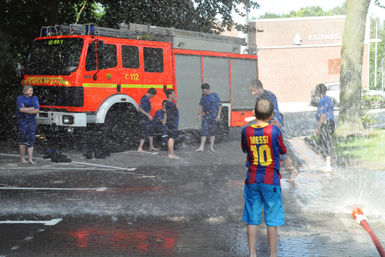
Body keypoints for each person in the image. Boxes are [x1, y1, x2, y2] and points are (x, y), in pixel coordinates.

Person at [241, 97, 287, 257]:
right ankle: (272, 255)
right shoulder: (274, 131)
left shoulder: (246, 130)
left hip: (252, 179)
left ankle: (252, 254)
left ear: (254, 113)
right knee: (272, 220)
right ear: (271, 115)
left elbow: (244, 148)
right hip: (271, 180)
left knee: (252, 219)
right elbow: (283, 150)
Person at [247, 79, 298, 182]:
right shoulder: (259, 98)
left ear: (259, 88)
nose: (253, 93)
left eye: (254, 90)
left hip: (274, 126)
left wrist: (277, 125)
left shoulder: (270, 96)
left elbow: (274, 112)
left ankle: (292, 171)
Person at [195, 83, 222, 152]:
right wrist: (198, 114)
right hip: (206, 116)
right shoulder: (203, 97)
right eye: (202, 91)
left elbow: (219, 105)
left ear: (208, 90)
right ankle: (201, 147)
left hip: (214, 116)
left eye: (205, 91)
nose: (203, 92)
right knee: (204, 131)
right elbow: (201, 106)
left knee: (213, 131)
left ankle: (211, 147)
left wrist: (218, 115)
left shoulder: (214, 95)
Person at [16, 85, 40, 164]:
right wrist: (31, 108)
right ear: (25, 91)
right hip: (22, 121)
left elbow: (37, 109)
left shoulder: (34, 98)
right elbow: (21, 109)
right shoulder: (20, 98)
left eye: (32, 91)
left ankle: (30, 159)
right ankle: (22, 158)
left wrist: (26, 109)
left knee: (31, 139)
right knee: (22, 139)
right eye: (30, 90)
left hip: (31, 121)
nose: (31, 92)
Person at [315, 83, 335, 172]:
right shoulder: (329, 99)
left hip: (326, 124)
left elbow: (323, 116)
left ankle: (328, 166)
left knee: (326, 143)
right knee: (327, 142)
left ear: (318, 92)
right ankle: (327, 164)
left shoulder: (322, 101)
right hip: (331, 123)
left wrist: (318, 128)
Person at [137, 88, 158, 152]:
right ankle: (140, 148)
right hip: (143, 118)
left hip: (146, 118)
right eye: (153, 95)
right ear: (151, 94)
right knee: (145, 132)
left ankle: (151, 146)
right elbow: (140, 109)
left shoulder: (147, 99)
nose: (153, 97)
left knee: (150, 131)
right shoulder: (145, 99)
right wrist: (148, 115)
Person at [165, 89, 180, 159]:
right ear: (169, 95)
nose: (174, 95)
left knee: (170, 137)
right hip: (172, 121)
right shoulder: (170, 103)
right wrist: (176, 101)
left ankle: (170, 153)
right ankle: (171, 154)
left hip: (170, 121)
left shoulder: (167, 103)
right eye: (173, 94)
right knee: (171, 138)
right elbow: (177, 108)